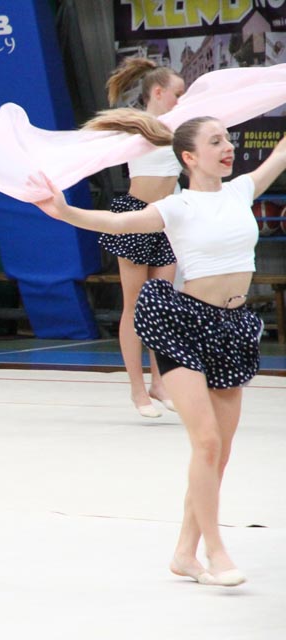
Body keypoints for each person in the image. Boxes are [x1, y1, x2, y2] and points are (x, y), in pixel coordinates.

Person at [32, 112, 286, 587]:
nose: (228, 148)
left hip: (232, 328)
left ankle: (184, 553)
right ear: (189, 157)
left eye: (228, 140)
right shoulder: (177, 206)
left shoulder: (242, 190)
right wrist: (64, 211)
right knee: (206, 442)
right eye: (216, 142)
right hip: (184, 325)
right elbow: (117, 221)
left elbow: (281, 153)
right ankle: (216, 552)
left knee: (219, 452)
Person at [98, 58, 186, 418]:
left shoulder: (181, 127)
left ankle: (159, 382)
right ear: (159, 92)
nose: (181, 100)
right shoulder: (135, 127)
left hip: (167, 218)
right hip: (136, 216)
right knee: (134, 305)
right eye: (178, 94)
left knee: (160, 304)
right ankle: (137, 389)